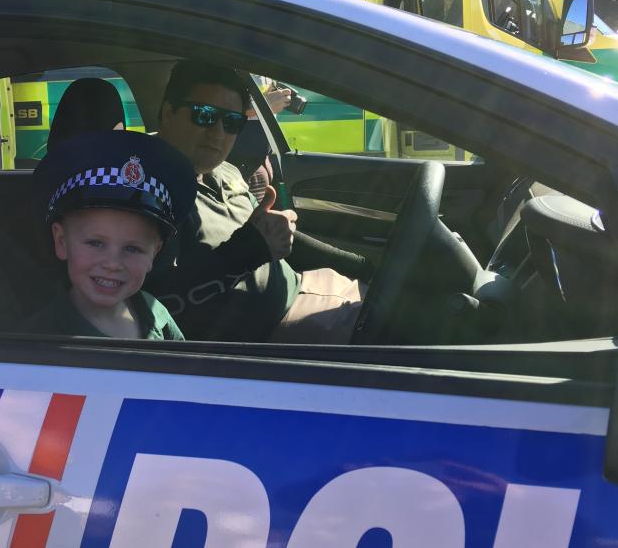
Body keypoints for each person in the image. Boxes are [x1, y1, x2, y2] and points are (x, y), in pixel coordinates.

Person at [146, 60, 372, 343]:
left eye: (232, 122)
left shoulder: (223, 171)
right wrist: (246, 251)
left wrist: (362, 265)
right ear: (168, 113)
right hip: (272, 333)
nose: (218, 132)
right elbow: (159, 306)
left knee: (398, 301)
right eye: (203, 115)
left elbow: (266, 236)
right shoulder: (147, 194)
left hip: (303, 287)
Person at [21, 129, 196, 339]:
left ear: (154, 253)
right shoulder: (37, 341)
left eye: (132, 248)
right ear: (61, 241)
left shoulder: (156, 314)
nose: (112, 264)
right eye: (95, 243)